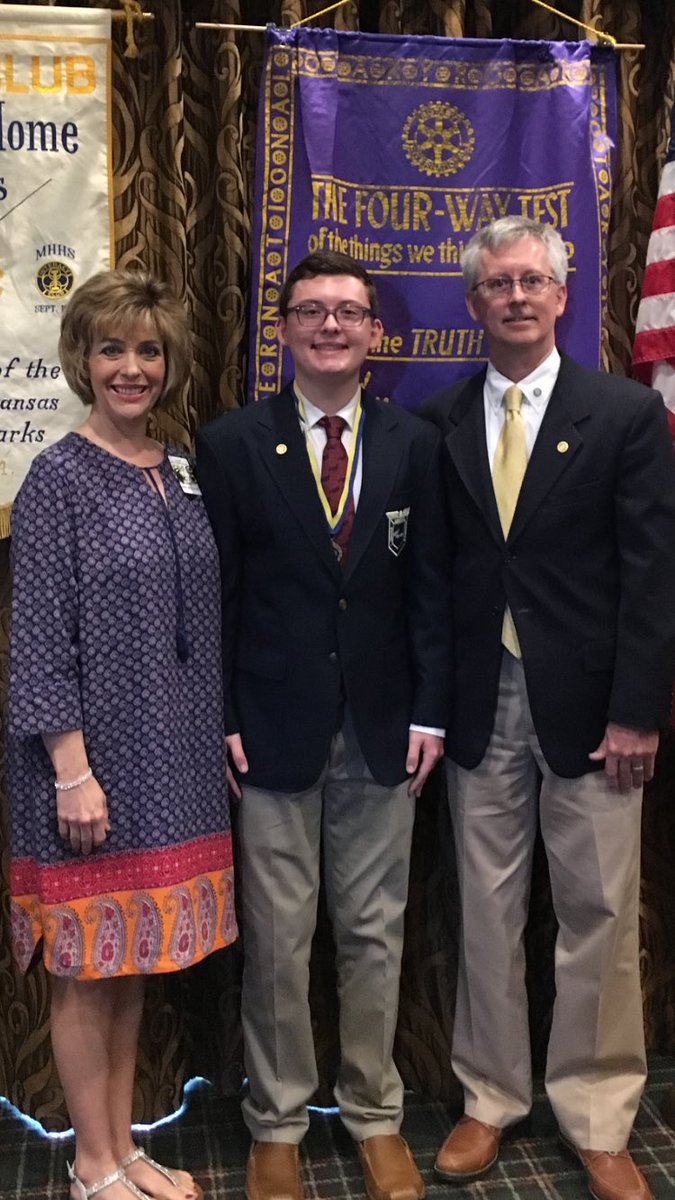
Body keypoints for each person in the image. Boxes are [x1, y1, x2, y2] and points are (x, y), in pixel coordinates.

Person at [422, 216, 675, 1200]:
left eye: (534, 281)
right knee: (483, 910)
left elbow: (653, 576)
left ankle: (599, 1110)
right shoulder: (439, 420)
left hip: (596, 710)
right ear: (475, 302)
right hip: (480, 704)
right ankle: (490, 1098)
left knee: (600, 913)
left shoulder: (620, 414)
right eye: (498, 284)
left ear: (563, 296)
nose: (518, 296)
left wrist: (638, 710)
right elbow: (438, 580)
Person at [196, 250, 451, 1200]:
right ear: (285, 328)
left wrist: (430, 709)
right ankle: (276, 1123)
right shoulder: (229, 445)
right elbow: (213, 601)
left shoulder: (412, 444)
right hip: (268, 730)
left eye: (349, 312)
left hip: (386, 731)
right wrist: (220, 716)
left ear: (374, 332)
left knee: (374, 932)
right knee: (276, 935)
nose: (332, 326)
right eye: (312, 311)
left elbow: (431, 594)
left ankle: (376, 1114)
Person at [8, 270, 237, 1200]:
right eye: (112, 349)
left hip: (171, 764)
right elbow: (36, 639)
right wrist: (71, 772)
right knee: (85, 970)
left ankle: (125, 1146)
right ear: (83, 359)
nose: (131, 367)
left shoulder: (177, 467)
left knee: (133, 960)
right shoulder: (58, 476)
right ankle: (90, 1165)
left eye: (148, 350)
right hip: (90, 767)